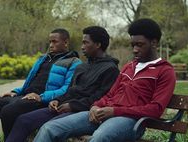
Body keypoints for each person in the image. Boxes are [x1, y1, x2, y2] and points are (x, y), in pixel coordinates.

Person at [33, 18, 176, 142]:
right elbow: (110, 95)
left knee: (99, 137)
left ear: (154, 43)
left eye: (140, 44)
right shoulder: (128, 67)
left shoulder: (165, 71)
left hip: (131, 122)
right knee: (50, 128)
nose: (135, 50)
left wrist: (114, 111)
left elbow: (155, 109)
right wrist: (95, 106)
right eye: (133, 45)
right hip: (103, 114)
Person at [5, 26, 120, 142]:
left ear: (98, 45)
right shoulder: (82, 67)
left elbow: (100, 98)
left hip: (83, 112)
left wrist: (72, 106)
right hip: (62, 107)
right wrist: (57, 100)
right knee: (23, 120)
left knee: (48, 128)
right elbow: (70, 90)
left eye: (86, 43)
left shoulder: (110, 69)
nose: (82, 47)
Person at [0, 28, 82, 142]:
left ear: (66, 42)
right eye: (49, 42)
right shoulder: (42, 59)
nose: (51, 45)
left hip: (41, 101)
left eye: (54, 41)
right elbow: (29, 83)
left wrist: (41, 96)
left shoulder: (74, 62)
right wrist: (15, 91)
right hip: (23, 96)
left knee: (8, 111)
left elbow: (67, 89)